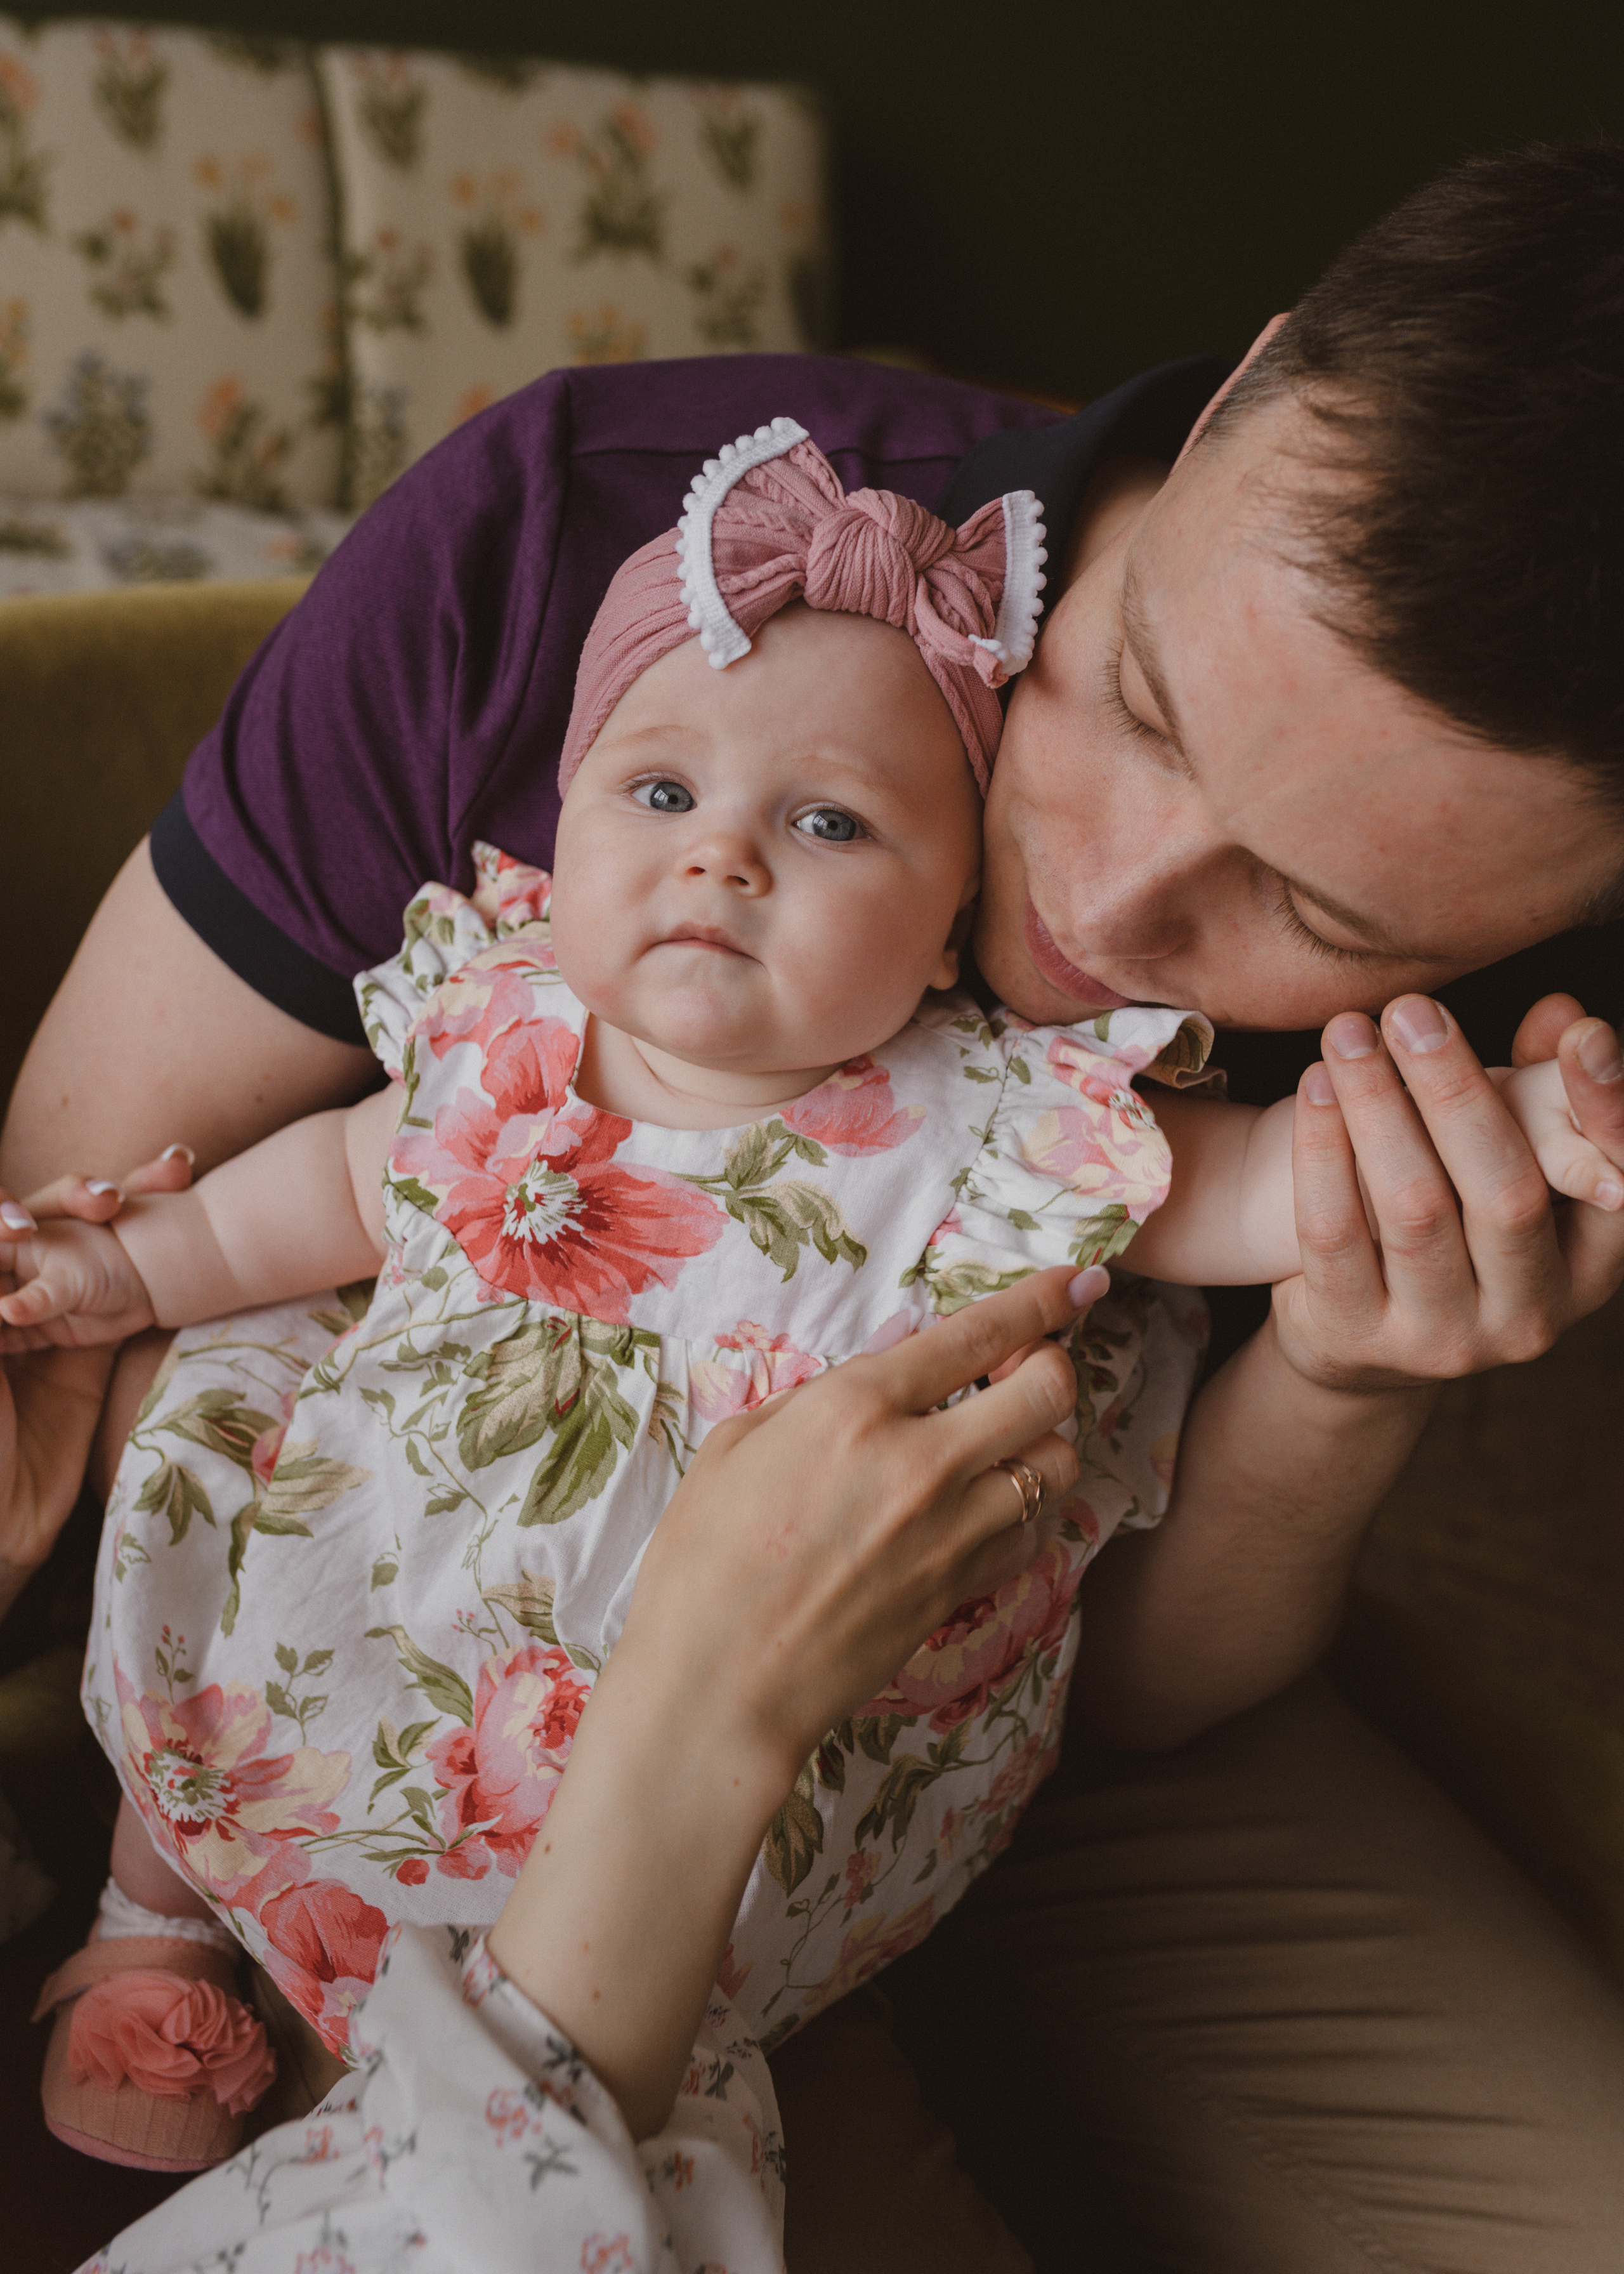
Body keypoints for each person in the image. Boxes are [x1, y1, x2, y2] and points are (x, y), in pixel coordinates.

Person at [5, 141, 1624, 2266]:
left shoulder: (1524, 1037)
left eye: (1316, 910)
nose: (1113, 904)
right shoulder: (594, 535)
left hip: (1016, 1716)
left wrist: (1341, 1364)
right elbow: (102, 1273)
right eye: (1134, 693)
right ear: (1238, 393)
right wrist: (565, 1817)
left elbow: (1147, 1701)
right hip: (423, 1696)